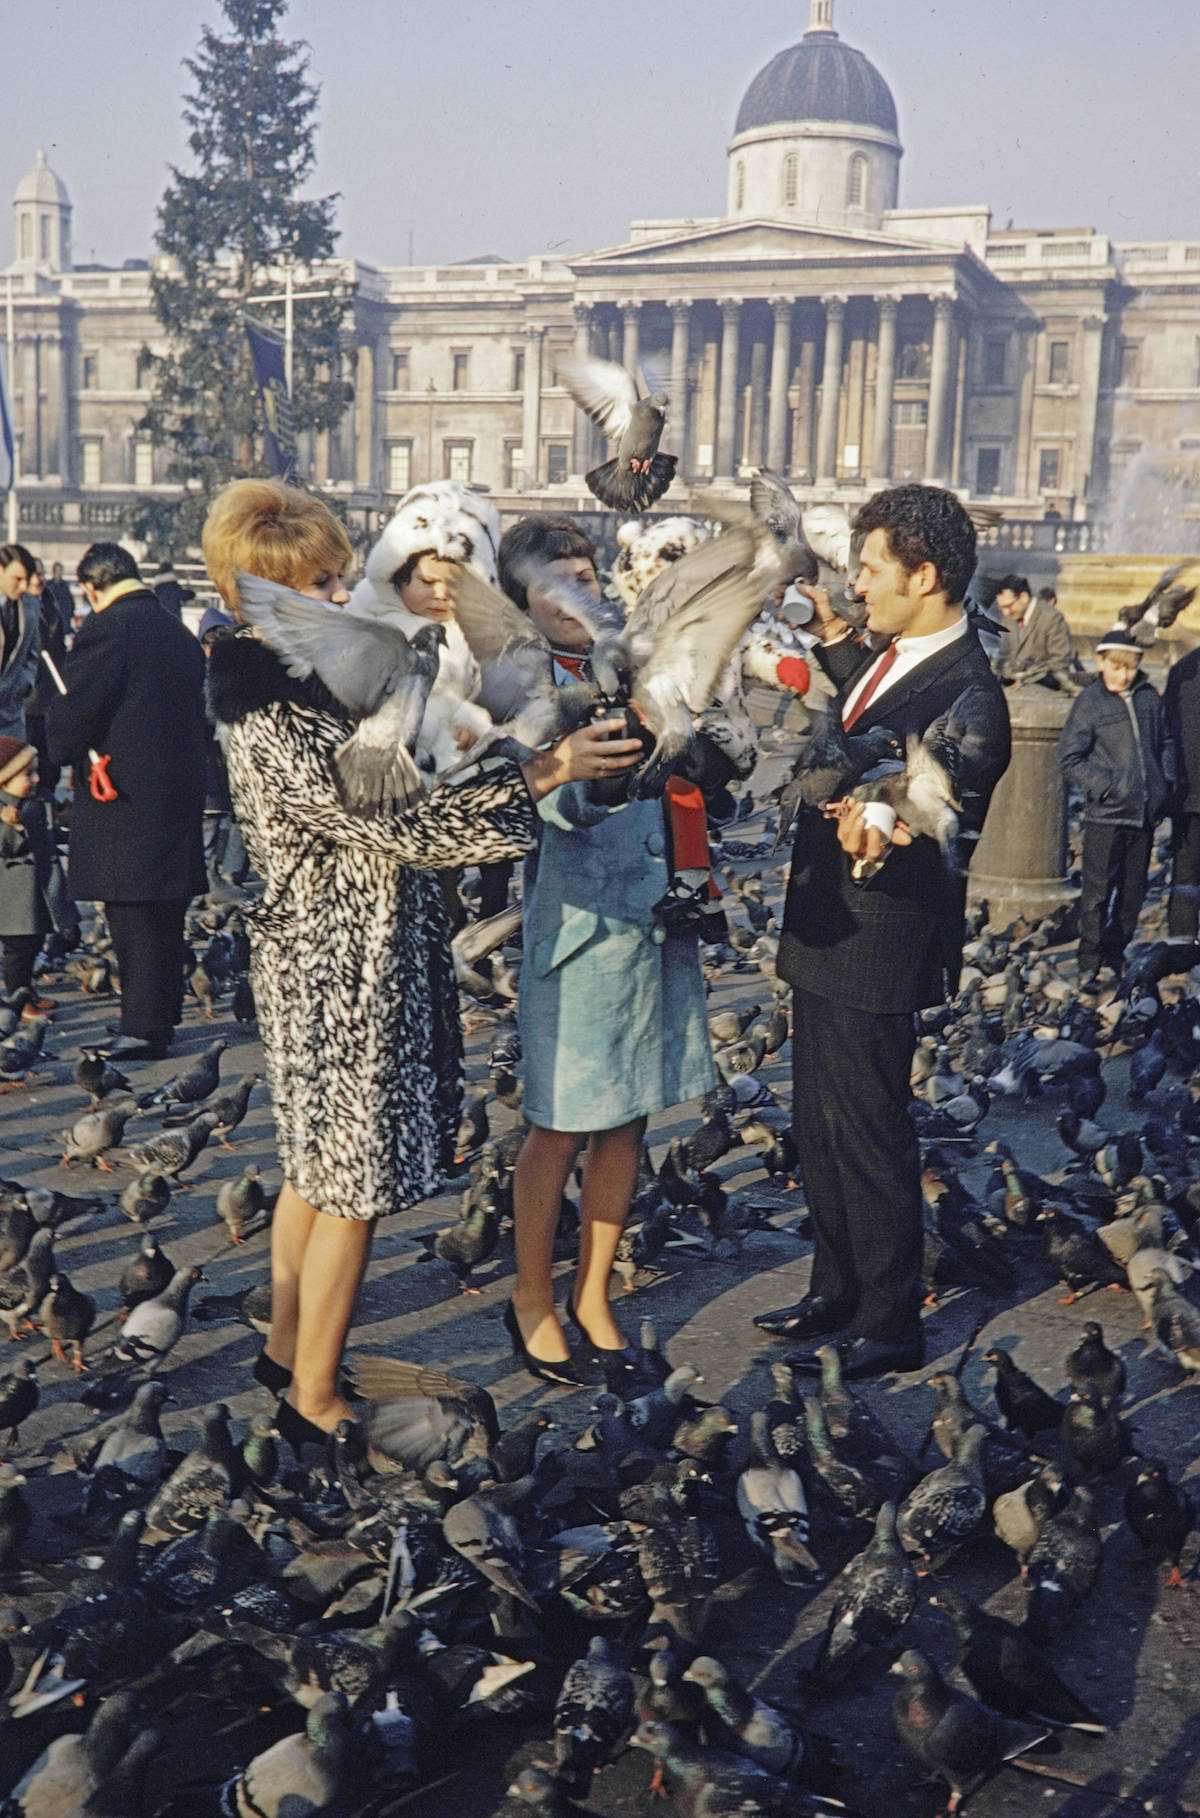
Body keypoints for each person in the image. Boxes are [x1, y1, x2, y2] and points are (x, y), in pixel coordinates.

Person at [202, 478, 637, 1447]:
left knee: (312, 1175)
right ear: (259, 596)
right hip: (338, 973)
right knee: (349, 1186)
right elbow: (402, 824)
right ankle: (314, 1396)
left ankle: (285, 1347)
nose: (341, 593)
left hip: (330, 956)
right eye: (319, 583)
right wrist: (543, 774)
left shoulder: (306, 681)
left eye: (338, 572)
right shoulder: (274, 711)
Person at [757, 484, 1011, 1381]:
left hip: (881, 933)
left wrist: (884, 821)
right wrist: (831, 644)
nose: (856, 583)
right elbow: (868, 719)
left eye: (869, 569)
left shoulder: (973, 697)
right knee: (818, 1121)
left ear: (925, 574)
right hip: (828, 926)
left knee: (869, 1127)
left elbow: (943, 809)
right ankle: (836, 1285)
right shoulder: (891, 649)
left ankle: (890, 1316)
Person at [508, 530, 732, 1387]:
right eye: (553, 583)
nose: (577, 594)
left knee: (630, 1119)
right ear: (522, 607)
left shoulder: (632, 670)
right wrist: (593, 776)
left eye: (587, 577)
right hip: (579, 938)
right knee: (559, 1128)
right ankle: (532, 1296)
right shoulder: (525, 688)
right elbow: (553, 810)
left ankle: (594, 1293)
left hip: (654, 921)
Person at [44, 542, 208, 1062]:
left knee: (131, 912)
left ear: (93, 588)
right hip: (177, 791)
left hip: (125, 794)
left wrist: (59, 729)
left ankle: (139, 1026)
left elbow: (73, 723)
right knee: (166, 910)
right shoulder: (177, 633)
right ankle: (161, 1019)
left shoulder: (107, 630)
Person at [1058, 627, 1174, 981]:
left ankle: (1115, 952)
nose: (1123, 675)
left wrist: (1164, 783)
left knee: (1133, 893)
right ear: (1101, 662)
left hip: (1143, 816)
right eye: (1116, 667)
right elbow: (1070, 757)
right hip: (1106, 816)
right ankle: (1089, 961)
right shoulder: (1089, 702)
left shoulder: (1149, 697)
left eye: (1129, 667)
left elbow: (1166, 742)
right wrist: (1107, 787)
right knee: (1096, 893)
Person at [0, 736, 72, 1010]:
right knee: (18, 950)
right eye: (27, 774)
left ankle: (27, 989)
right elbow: (5, 847)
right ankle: (19, 998)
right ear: (4, 779)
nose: (36, 778)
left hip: (36, 890)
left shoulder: (33, 801)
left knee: (33, 944)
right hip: (13, 899)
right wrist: (11, 827)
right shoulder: (6, 809)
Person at [23, 560, 70, 793]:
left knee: (49, 761)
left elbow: (59, 649)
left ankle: (46, 803)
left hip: (49, 697)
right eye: (33, 574)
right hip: (23, 699)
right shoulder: (14, 609)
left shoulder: (51, 606)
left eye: (41, 574)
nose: (38, 579)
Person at [1165, 637, 1200, 947]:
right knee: (1186, 873)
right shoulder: (1182, 670)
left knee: (1186, 875)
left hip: (1187, 793)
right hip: (1190, 794)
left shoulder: (1181, 670)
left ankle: (1181, 945)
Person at [992, 572, 1075, 689]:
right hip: (1015, 686)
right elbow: (1004, 655)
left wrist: (1025, 679)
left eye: (1008, 606)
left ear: (1024, 597)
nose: (1006, 612)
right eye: (1001, 608)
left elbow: (1060, 661)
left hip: (1046, 687)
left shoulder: (1052, 618)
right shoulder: (1008, 619)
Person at [0, 544, 41, 741]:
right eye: (17, 579)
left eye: (27, 579)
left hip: (11, 718)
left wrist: (24, 684)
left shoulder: (30, 606)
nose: (24, 586)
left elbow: (32, 654)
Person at [44, 562, 75, 639]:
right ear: (53, 571)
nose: (58, 573)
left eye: (60, 570)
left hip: (63, 617)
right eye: (57, 570)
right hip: (51, 618)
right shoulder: (48, 585)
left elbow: (70, 601)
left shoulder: (65, 585)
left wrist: (70, 613)